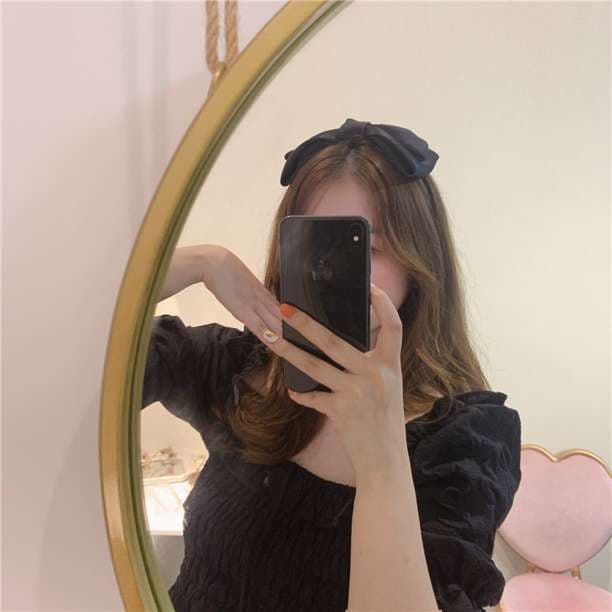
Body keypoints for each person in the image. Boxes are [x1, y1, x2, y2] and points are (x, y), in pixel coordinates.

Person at [142, 118, 522, 611]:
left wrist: (381, 453)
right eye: (316, 246)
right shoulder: (233, 369)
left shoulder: (463, 441)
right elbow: (76, 345)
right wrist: (202, 262)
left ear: (419, 264)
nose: (332, 273)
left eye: (367, 247)